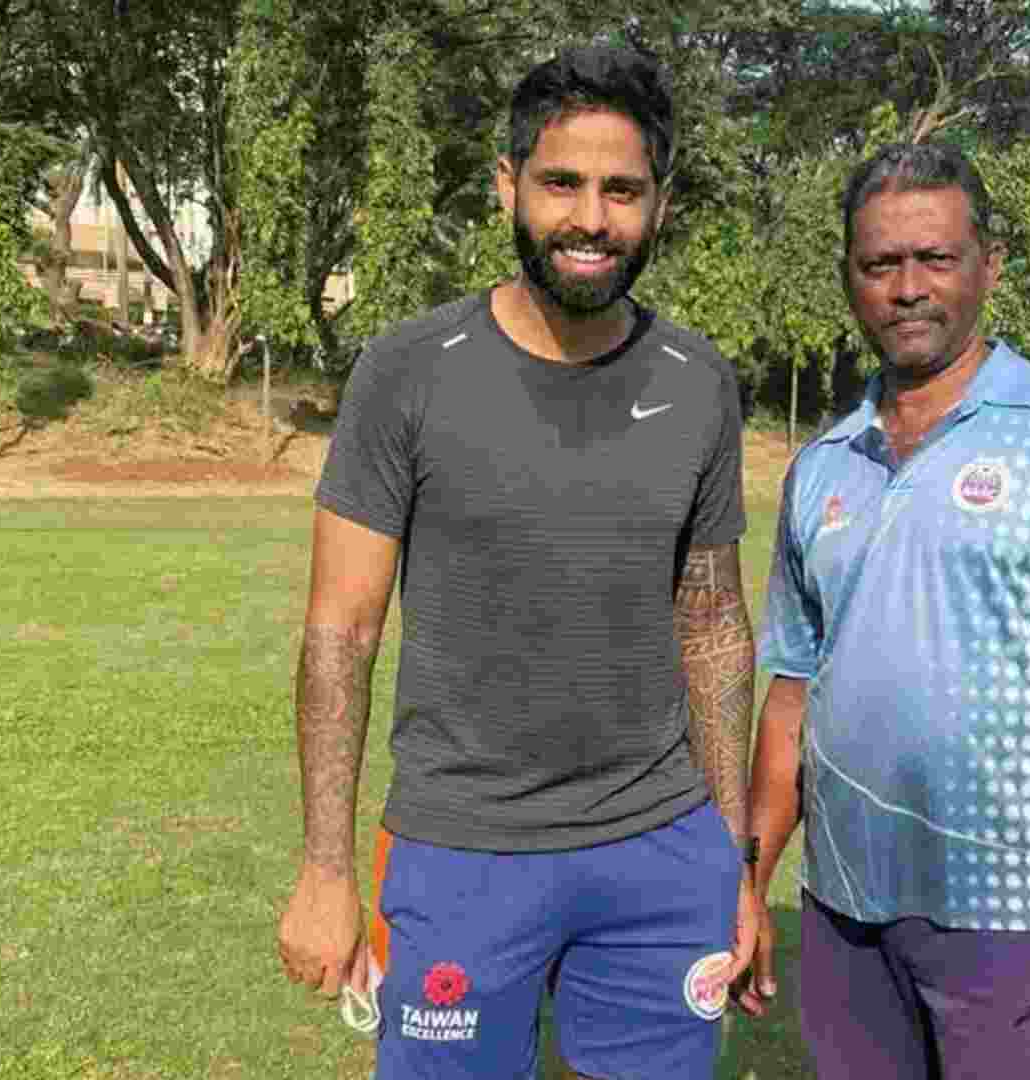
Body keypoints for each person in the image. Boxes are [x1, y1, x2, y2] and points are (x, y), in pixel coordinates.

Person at [276, 46, 763, 1080]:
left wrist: (731, 856)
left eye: (622, 190)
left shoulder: (699, 381)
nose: (592, 218)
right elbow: (340, 629)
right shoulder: (406, 372)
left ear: (659, 205)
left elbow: (713, 621)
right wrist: (325, 869)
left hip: (660, 850)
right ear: (509, 187)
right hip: (461, 850)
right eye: (563, 183)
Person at [736, 141, 1030, 1079]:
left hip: (1019, 916)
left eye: (935, 259)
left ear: (989, 266)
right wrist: (750, 883)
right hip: (845, 912)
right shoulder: (823, 462)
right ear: (850, 279)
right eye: (880, 264)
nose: (908, 287)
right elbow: (791, 692)